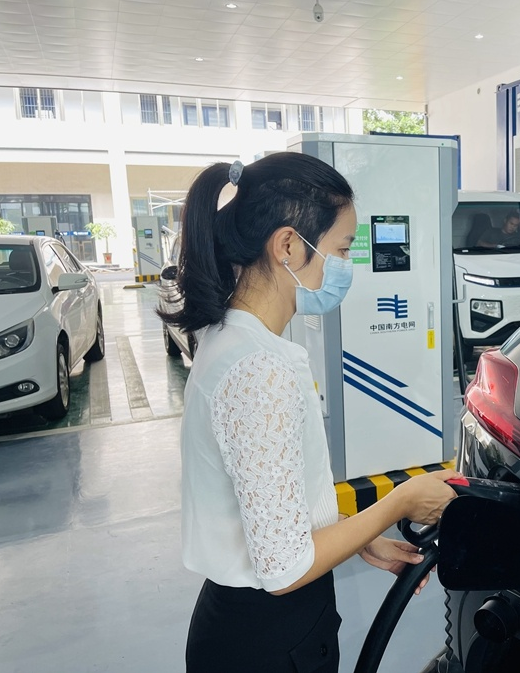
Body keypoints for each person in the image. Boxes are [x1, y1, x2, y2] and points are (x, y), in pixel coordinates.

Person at [157, 153, 460, 673]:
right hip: (267, 642)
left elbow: (265, 504)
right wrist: (400, 501)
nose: (343, 266)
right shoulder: (259, 368)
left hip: (252, 629)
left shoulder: (231, 339)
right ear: (288, 246)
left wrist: (356, 534)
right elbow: (284, 569)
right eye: (340, 248)